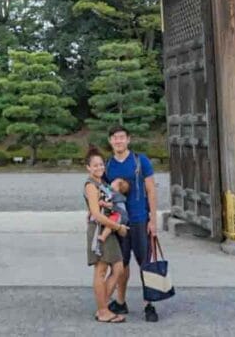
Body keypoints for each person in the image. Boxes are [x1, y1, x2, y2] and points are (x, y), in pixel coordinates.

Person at [104, 125, 159, 323]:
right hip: (118, 222)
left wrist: (153, 219)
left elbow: (151, 190)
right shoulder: (108, 165)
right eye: (114, 138)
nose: (118, 141)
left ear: (128, 139)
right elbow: (102, 192)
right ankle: (120, 300)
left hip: (139, 218)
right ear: (110, 141)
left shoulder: (140, 161)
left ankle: (149, 304)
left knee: (144, 261)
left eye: (121, 137)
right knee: (121, 263)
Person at [84, 147, 128, 323]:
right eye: (94, 165)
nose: (99, 168)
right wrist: (117, 227)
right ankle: (103, 311)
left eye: (101, 164)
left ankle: (102, 306)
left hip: (107, 229)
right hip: (99, 231)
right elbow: (96, 214)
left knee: (118, 268)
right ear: (88, 167)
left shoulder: (102, 184)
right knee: (101, 270)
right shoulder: (91, 186)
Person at [93, 178, 130, 254]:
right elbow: (106, 189)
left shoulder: (117, 195)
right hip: (117, 214)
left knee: (110, 223)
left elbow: (112, 204)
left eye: (114, 182)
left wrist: (104, 204)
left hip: (120, 216)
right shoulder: (114, 192)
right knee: (110, 221)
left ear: (117, 188)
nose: (111, 183)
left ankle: (103, 236)